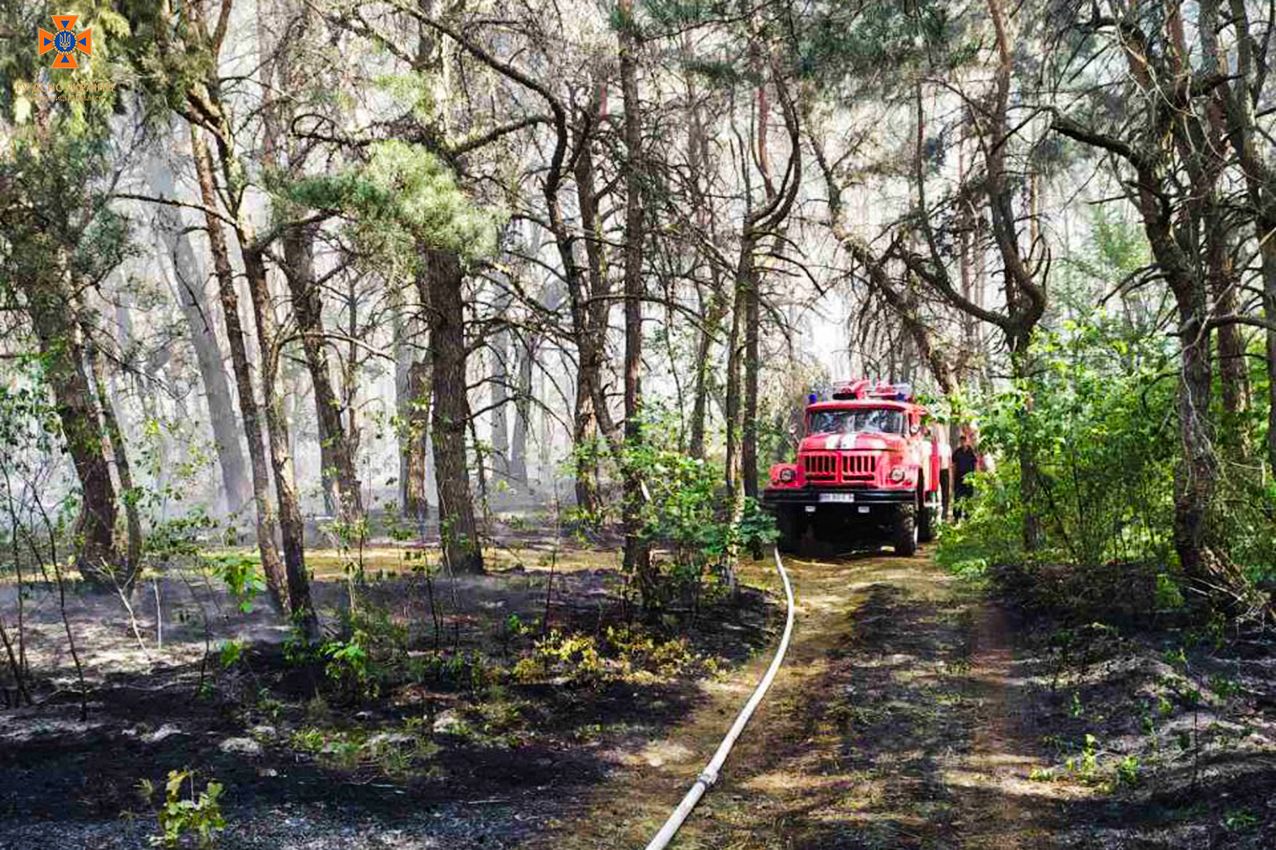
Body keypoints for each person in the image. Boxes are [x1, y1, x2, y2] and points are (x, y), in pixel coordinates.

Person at [952, 432, 979, 522]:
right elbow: (954, 465)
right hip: (958, 478)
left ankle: (968, 516)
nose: (963, 442)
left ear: (967, 441)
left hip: (969, 479)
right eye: (961, 440)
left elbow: (975, 464)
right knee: (958, 497)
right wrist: (953, 478)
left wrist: (975, 476)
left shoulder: (971, 452)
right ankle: (957, 516)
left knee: (968, 497)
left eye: (964, 440)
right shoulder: (957, 452)